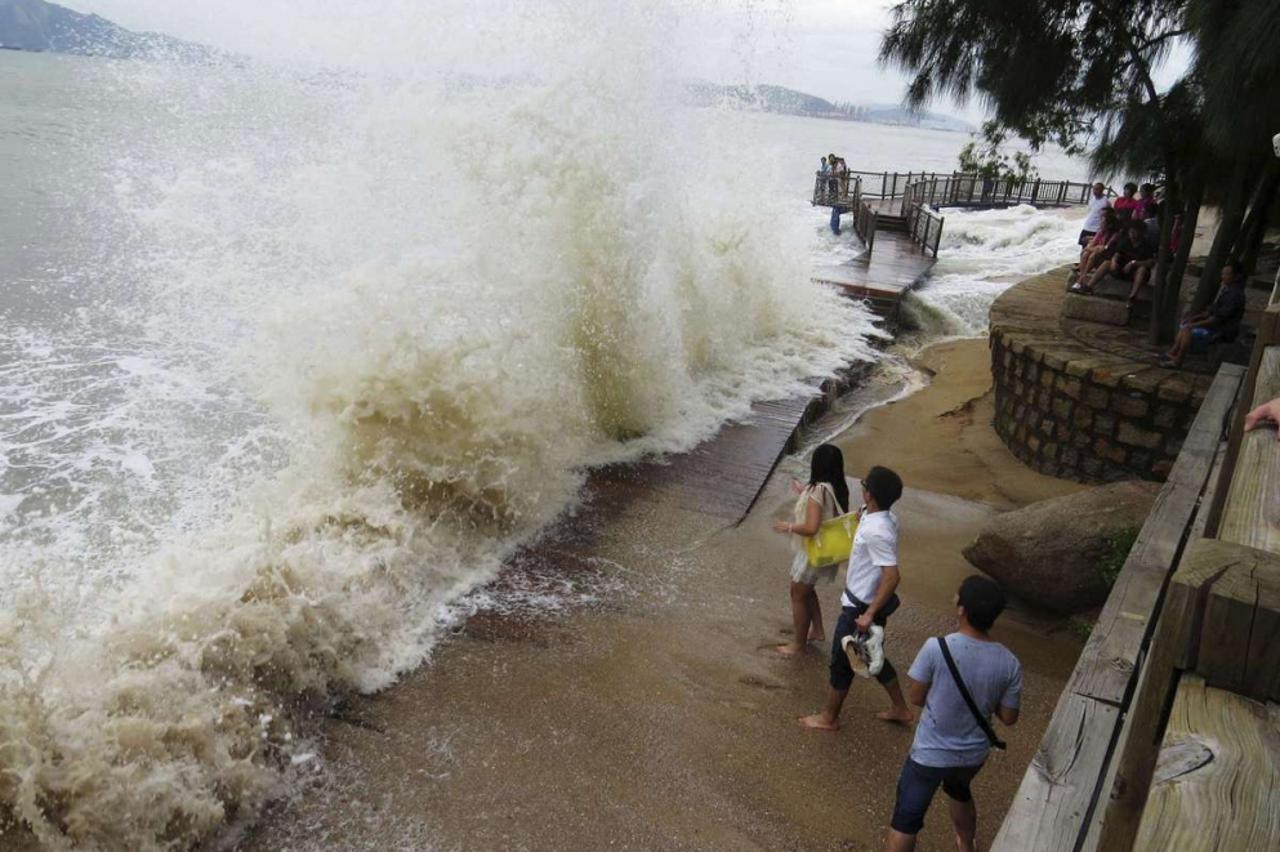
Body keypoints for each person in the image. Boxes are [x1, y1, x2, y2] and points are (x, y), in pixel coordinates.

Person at [883, 576, 1022, 852]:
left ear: (962, 609)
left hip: (930, 753)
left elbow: (915, 697)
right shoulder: (1009, 662)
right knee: (959, 791)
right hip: (972, 755)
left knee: (906, 819)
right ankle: (965, 844)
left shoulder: (937, 647)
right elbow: (1008, 717)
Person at [799, 466, 914, 730]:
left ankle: (828, 718)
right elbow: (863, 518)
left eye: (864, 486)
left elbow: (892, 576)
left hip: (860, 608)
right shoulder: (883, 518)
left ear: (868, 494)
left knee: (842, 662)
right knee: (872, 654)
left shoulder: (877, 531)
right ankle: (900, 708)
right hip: (862, 603)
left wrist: (869, 613)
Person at [772, 444, 851, 656]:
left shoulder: (818, 490)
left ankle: (798, 644)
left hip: (814, 549)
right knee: (806, 589)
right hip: (826, 549)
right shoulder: (836, 487)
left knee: (797, 593)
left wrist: (787, 527)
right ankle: (816, 630)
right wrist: (803, 491)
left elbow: (811, 527)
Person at [1159, 259, 1248, 368]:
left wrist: (1194, 324)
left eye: (1226, 274)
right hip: (1216, 324)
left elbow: (1218, 318)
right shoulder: (1227, 290)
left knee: (1188, 330)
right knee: (1185, 325)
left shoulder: (1235, 295)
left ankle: (1178, 360)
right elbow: (1211, 311)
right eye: (1223, 274)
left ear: (1236, 276)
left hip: (1224, 330)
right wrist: (1193, 318)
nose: (1223, 277)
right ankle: (1173, 352)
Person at [1078, 220, 1154, 302]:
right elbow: (1117, 253)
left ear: (1141, 232)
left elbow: (1151, 262)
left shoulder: (1146, 245)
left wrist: (1134, 263)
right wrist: (1114, 261)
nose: (1132, 234)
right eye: (1131, 231)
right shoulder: (1126, 241)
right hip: (1122, 269)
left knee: (1142, 270)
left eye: (1135, 232)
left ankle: (1132, 297)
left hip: (1135, 273)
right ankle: (1089, 286)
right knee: (1107, 263)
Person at [1071, 207, 1120, 287]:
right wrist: (1093, 248)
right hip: (1097, 252)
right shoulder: (1100, 231)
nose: (1101, 223)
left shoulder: (1114, 234)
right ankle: (1082, 277)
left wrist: (1094, 248)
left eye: (1103, 222)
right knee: (1085, 253)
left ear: (1109, 224)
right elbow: (1093, 244)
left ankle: (1081, 279)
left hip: (1106, 257)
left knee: (1092, 255)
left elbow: (1105, 248)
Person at [1077, 181, 1110, 248]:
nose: (1094, 191)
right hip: (1087, 227)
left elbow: (1107, 216)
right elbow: (1090, 212)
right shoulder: (1092, 199)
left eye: (1097, 189)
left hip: (1096, 230)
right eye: (1094, 189)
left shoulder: (1105, 201)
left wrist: (1103, 228)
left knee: (1092, 249)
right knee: (1083, 248)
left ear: (1102, 190)